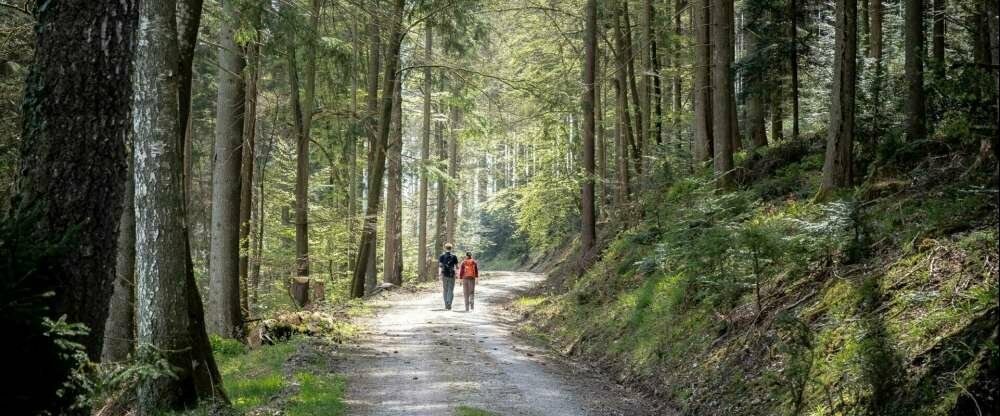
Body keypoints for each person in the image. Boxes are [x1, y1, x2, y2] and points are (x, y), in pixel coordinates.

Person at [437, 243, 459, 310]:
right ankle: (449, 303)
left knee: (445, 290)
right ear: (451, 248)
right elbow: (457, 267)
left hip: (444, 275)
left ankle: (446, 304)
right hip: (452, 275)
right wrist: (457, 274)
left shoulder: (442, 256)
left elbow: (440, 266)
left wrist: (439, 274)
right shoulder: (454, 256)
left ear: (445, 248)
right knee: (451, 289)